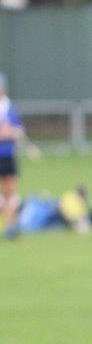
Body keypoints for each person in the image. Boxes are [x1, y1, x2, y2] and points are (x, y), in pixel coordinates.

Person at [0, 72, 25, 240]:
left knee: (10, 192)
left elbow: (19, 131)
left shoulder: (10, 108)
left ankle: (10, 226)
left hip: (8, 156)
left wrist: (11, 133)